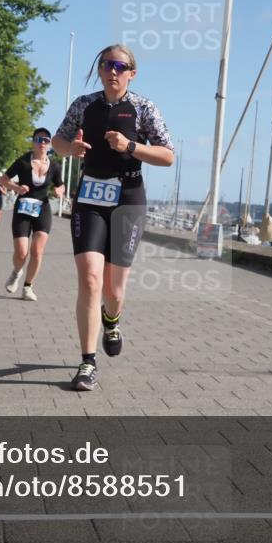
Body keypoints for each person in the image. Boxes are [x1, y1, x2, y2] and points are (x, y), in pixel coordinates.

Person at [52, 45, 174, 391]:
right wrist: (69, 150)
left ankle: (113, 318)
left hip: (128, 199)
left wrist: (130, 147)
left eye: (120, 66)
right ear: (101, 70)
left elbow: (167, 156)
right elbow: (58, 141)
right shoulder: (84, 105)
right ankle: (87, 362)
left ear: (132, 74)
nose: (113, 71)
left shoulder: (143, 108)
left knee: (114, 289)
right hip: (90, 197)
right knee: (91, 279)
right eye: (107, 65)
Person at [0, 128, 65, 301]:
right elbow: (3, 180)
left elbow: (61, 185)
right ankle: (16, 272)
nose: (42, 143)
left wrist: (59, 190)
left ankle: (28, 287)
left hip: (43, 208)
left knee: (37, 251)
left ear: (49, 144)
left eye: (46, 140)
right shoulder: (23, 162)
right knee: (21, 253)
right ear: (33, 142)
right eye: (39, 139)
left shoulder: (55, 166)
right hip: (23, 208)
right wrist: (17, 188)